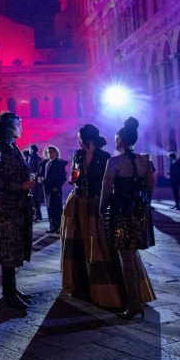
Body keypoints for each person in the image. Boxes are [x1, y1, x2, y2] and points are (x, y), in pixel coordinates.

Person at [100, 117, 156, 320]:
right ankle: (139, 298)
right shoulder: (145, 160)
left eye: (116, 139)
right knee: (133, 255)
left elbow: (106, 189)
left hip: (122, 211)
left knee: (126, 258)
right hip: (139, 211)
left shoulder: (114, 161)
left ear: (121, 141)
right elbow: (149, 187)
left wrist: (101, 209)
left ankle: (133, 303)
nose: (115, 142)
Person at [60, 124, 120, 307]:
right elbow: (74, 173)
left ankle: (100, 281)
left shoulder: (104, 156)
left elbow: (108, 182)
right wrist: (73, 179)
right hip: (78, 199)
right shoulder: (78, 155)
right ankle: (79, 281)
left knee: (97, 238)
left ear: (89, 139)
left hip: (95, 199)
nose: (79, 142)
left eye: (81, 139)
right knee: (76, 238)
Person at [0, 111, 35, 310]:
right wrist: (20, 186)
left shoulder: (13, 148)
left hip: (19, 205)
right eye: (17, 125)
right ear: (7, 127)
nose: (20, 128)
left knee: (16, 248)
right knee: (8, 249)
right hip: (7, 207)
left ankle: (12, 288)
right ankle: (8, 293)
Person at [39, 145, 67, 234]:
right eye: (48, 152)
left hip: (55, 190)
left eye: (51, 152)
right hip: (46, 188)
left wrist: (56, 187)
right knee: (49, 208)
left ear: (55, 152)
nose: (49, 154)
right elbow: (43, 174)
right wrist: (40, 179)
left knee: (57, 209)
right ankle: (53, 227)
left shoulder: (59, 163)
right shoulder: (46, 162)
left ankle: (60, 227)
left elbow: (63, 177)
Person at [27, 144, 43, 222]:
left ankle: (38, 215)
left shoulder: (36, 158)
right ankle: (36, 214)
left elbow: (39, 169)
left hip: (35, 181)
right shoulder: (32, 157)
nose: (29, 150)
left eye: (30, 149)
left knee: (35, 198)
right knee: (33, 198)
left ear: (32, 150)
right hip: (32, 179)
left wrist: (33, 176)